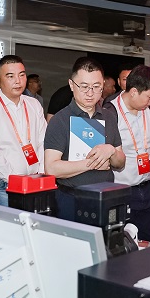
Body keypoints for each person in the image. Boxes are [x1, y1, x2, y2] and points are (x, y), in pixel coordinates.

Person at [44, 57, 124, 221]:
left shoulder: (109, 117)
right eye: (84, 87)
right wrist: (93, 163)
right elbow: (51, 168)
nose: (90, 93)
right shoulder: (60, 120)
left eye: (96, 87)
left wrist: (111, 151)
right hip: (72, 199)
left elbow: (120, 162)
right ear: (71, 85)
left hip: (105, 197)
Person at [0, 55, 46, 206]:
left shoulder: (34, 104)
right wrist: (16, 181)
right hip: (6, 186)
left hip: (36, 182)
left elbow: (43, 141)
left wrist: (40, 174)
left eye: (22, 75)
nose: (18, 81)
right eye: (10, 76)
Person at [107, 65, 150, 242]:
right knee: (123, 245)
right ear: (133, 92)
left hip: (148, 189)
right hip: (122, 192)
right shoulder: (110, 113)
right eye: (149, 96)